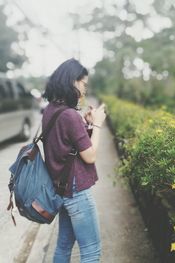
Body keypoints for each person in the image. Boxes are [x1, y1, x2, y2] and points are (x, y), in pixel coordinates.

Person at [41, 58, 106, 262]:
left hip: (61, 189)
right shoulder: (69, 115)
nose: (85, 90)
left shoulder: (51, 110)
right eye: (84, 84)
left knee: (63, 245)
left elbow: (66, 143)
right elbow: (90, 155)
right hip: (76, 192)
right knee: (91, 250)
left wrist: (85, 124)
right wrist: (97, 125)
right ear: (73, 82)